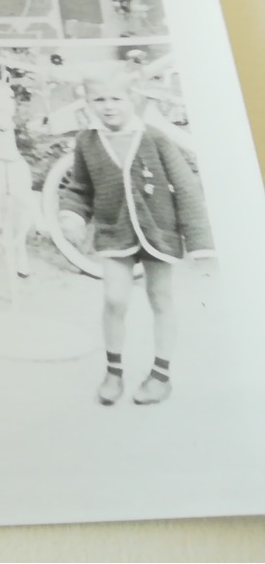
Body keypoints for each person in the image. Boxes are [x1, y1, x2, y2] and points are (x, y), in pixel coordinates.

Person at [59, 67, 215, 406]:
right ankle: (113, 371)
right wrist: (71, 214)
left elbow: (187, 188)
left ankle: (161, 374)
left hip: (159, 231)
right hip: (115, 231)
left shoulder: (154, 138)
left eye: (117, 98)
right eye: (99, 99)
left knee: (160, 298)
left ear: (134, 99)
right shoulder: (87, 141)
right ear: (88, 102)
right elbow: (80, 187)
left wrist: (201, 244)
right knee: (115, 299)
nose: (109, 106)